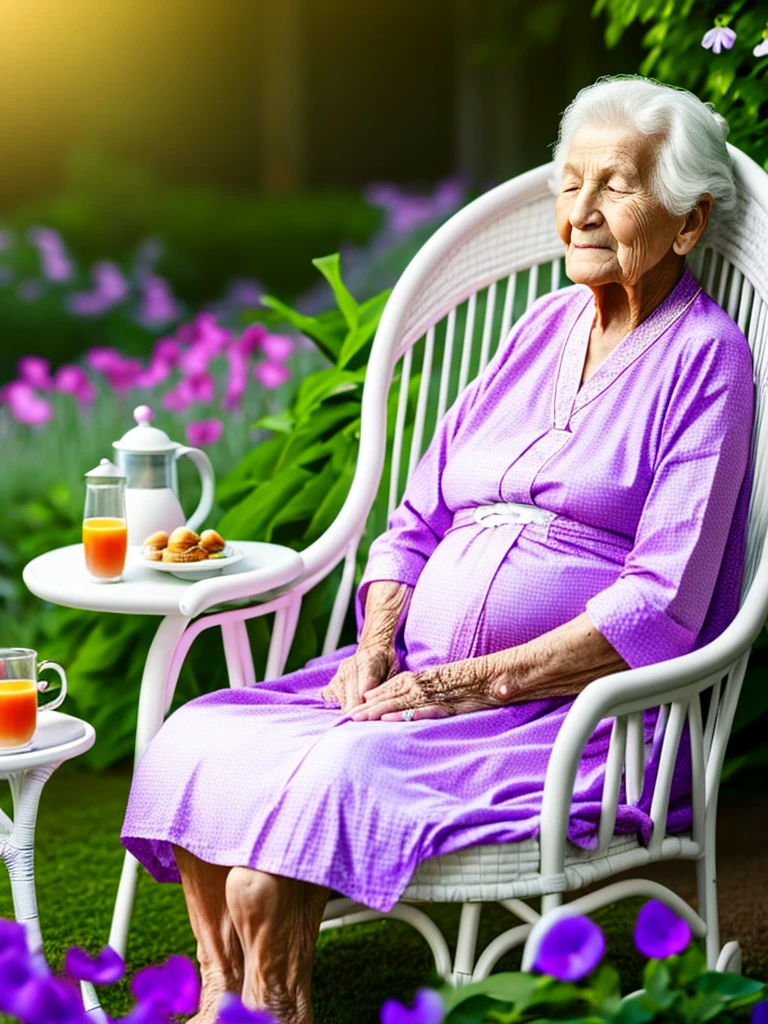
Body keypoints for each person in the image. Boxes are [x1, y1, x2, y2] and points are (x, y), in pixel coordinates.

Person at [121, 75, 755, 1024]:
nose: (579, 211)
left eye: (615, 186)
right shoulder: (538, 327)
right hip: (409, 677)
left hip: (556, 716)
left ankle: (273, 1000)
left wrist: (466, 686)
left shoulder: (708, 360)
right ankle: (226, 1000)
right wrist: (379, 647)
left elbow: (661, 600)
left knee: (315, 806)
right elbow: (416, 518)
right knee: (197, 733)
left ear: (688, 223)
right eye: (569, 182)